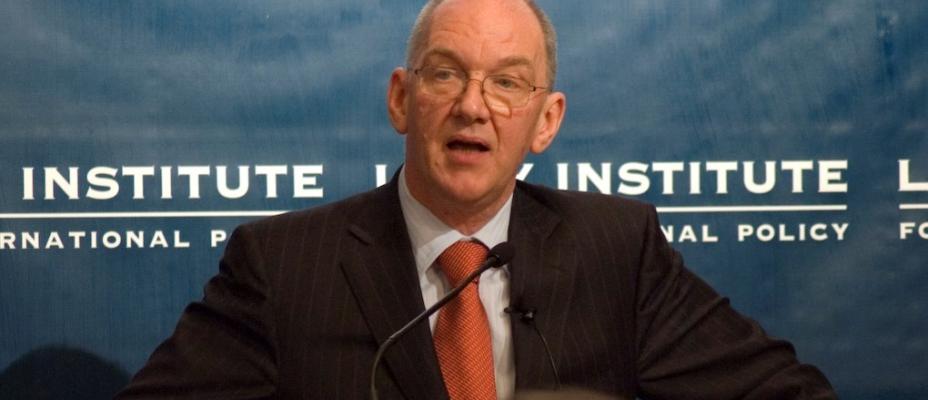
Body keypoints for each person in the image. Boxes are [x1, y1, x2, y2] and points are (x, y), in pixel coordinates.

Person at [118, 0, 837, 399]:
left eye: (507, 83)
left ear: (546, 121)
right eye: (445, 74)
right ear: (401, 99)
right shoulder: (282, 266)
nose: (472, 106)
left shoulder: (617, 250)